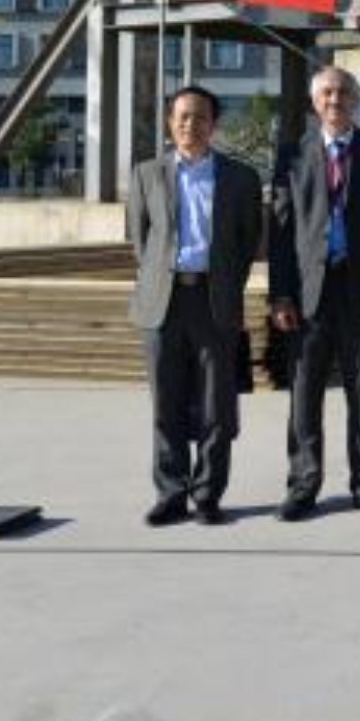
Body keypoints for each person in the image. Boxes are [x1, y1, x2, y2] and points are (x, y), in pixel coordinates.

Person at [270, 65, 360, 521]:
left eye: (343, 92)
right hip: (308, 293)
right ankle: (303, 485)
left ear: (355, 99)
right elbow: (281, 232)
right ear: (315, 102)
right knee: (304, 396)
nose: (335, 99)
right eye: (327, 92)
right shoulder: (292, 156)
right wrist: (280, 295)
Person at [127, 85, 263, 526]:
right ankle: (170, 493)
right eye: (182, 116)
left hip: (214, 300)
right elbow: (140, 239)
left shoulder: (240, 178)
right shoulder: (146, 174)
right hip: (163, 303)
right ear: (170, 123)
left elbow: (247, 241)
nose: (191, 124)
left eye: (200, 116)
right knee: (165, 404)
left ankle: (207, 495)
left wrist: (224, 283)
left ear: (213, 124)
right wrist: (163, 277)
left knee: (216, 405)